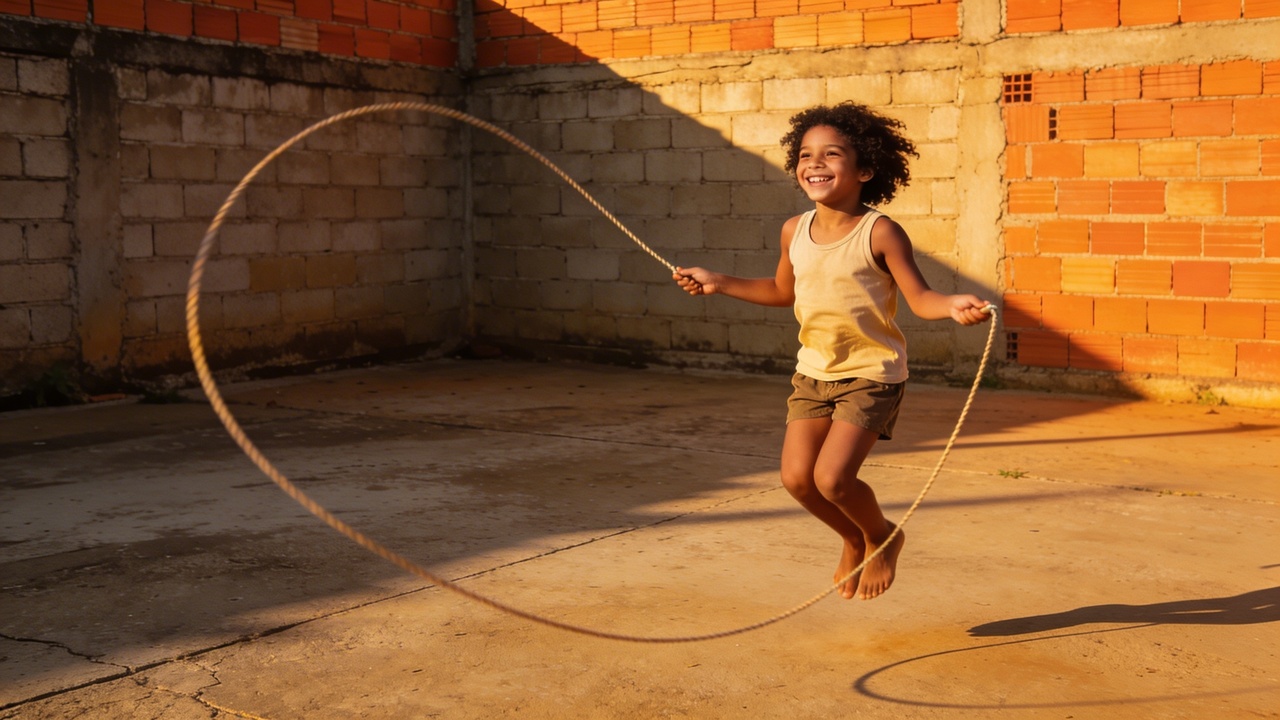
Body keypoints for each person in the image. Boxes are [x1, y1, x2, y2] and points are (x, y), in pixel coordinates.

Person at [674, 102, 992, 600]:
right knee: (798, 479)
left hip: (872, 373)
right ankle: (853, 536)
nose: (814, 163)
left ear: (865, 169)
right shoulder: (793, 230)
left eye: (831, 154)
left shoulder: (880, 232)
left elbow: (921, 298)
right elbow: (783, 291)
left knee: (834, 479)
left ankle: (884, 535)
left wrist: (952, 305)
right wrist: (718, 281)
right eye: (805, 154)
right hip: (813, 373)